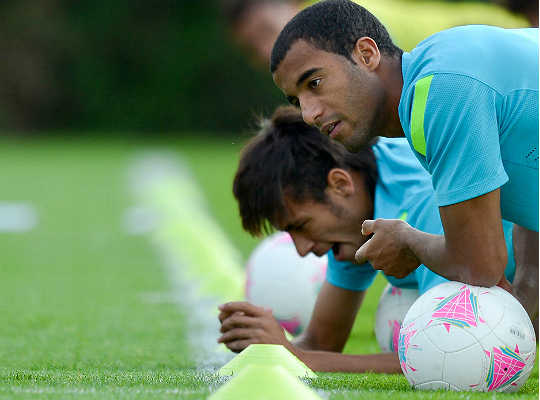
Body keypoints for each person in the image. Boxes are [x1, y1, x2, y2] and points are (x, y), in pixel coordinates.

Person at [269, 0, 538, 321]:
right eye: (297, 100)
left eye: (314, 83)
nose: (308, 114)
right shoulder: (437, 74)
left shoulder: (440, 92)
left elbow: (479, 265)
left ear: (366, 54)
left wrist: (409, 241)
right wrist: (528, 289)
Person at [218, 105, 517, 373]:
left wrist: (296, 357)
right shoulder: (354, 216)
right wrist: (270, 343)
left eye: (301, 226)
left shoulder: (426, 201)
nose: (302, 248)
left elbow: (448, 351)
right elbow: (321, 343)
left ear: (340, 184)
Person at [222, 0, 530, 68]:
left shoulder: (329, 23)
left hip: (512, 39)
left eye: (266, 31)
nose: (266, 50)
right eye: (252, 48)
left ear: (289, 5)